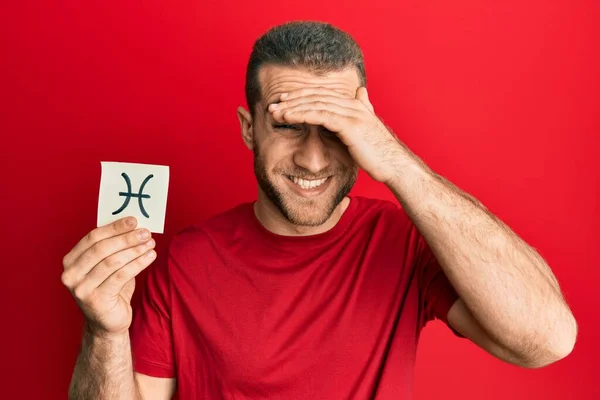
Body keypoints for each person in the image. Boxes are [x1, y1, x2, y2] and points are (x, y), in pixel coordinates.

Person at [62, 21, 577, 399]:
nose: (312, 158)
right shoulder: (184, 260)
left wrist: (397, 163)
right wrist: (104, 332)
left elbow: (546, 341)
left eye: (334, 127)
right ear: (248, 129)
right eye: (287, 124)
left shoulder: (404, 241)